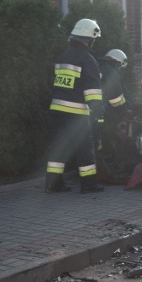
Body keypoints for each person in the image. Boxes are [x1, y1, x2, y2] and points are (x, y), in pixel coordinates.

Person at [45, 18, 105, 194]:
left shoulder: (63, 57)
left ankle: (53, 185)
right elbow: (93, 92)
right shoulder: (88, 59)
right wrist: (97, 116)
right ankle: (89, 185)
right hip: (76, 112)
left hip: (57, 111)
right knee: (85, 149)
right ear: (90, 38)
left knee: (59, 149)